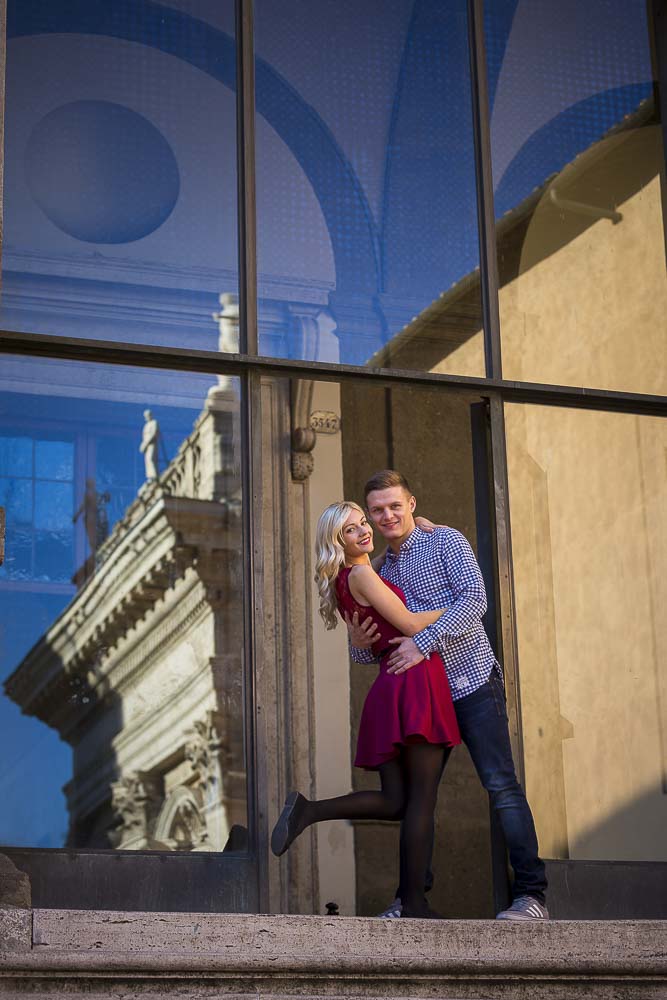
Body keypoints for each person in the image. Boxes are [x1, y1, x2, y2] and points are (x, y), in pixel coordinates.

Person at [347, 470, 548, 921]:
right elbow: (369, 655)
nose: (386, 515)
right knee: (420, 800)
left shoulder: (446, 542)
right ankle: (411, 900)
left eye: (394, 505)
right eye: (377, 510)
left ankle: (532, 895)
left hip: (471, 682)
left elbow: (475, 600)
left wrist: (424, 639)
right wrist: (359, 643)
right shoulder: (377, 570)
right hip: (425, 700)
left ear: (412, 503)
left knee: (501, 786)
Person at [270, 501, 461, 918]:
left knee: (396, 801)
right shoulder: (361, 575)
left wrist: (423, 524)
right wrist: (459, 605)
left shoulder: (347, 579)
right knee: (420, 803)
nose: (364, 532)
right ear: (338, 542)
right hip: (413, 682)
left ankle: (310, 810)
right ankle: (413, 904)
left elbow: (375, 637)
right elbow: (411, 626)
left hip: (390, 685)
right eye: (352, 530)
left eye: (362, 524)